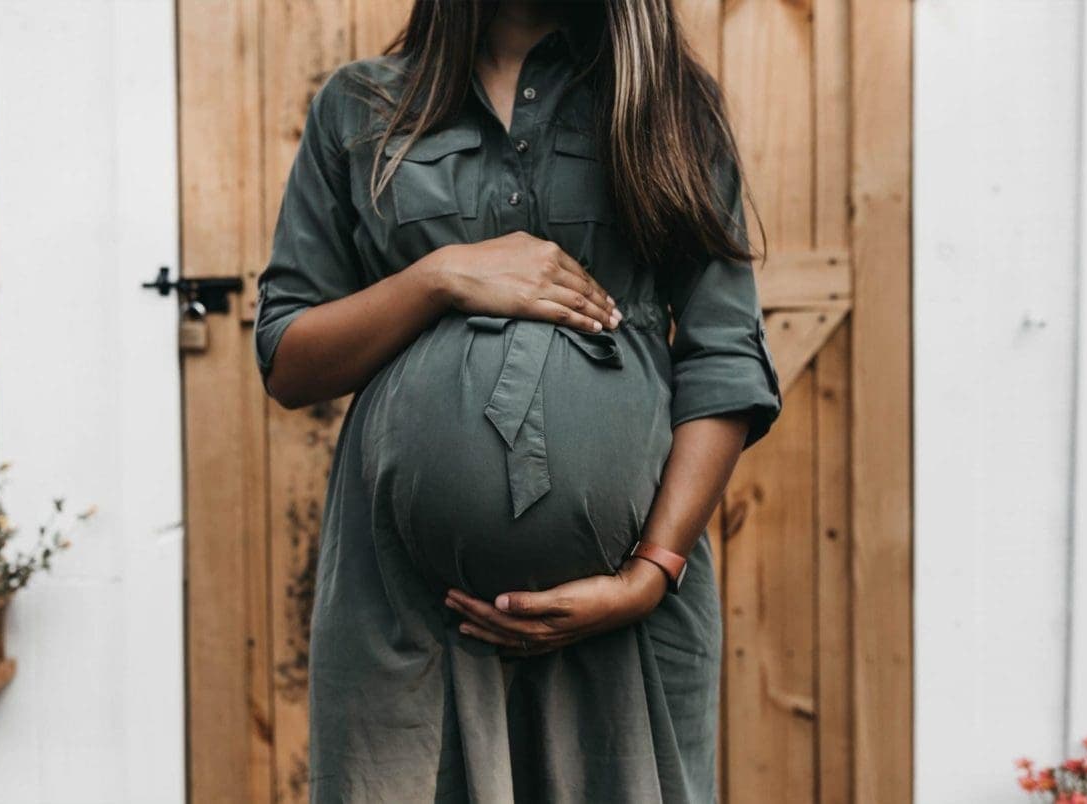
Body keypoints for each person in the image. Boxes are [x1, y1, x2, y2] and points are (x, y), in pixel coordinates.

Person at [253, 1, 782, 801]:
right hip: (406, 619)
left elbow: (724, 356)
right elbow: (289, 360)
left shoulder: (667, 105)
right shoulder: (359, 107)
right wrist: (438, 278)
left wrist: (649, 573)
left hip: (626, 618)